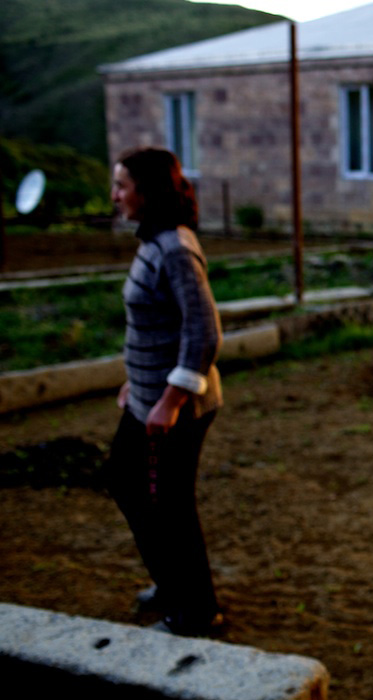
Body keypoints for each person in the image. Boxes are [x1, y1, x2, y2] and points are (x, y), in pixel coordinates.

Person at [104, 146, 224, 637]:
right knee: (126, 481)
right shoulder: (154, 242)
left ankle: (197, 613)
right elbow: (160, 322)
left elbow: (204, 331)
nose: (115, 196)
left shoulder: (175, 249)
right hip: (147, 398)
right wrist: (137, 379)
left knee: (169, 505)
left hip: (177, 408)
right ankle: (172, 584)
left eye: (122, 186)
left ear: (147, 192)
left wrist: (171, 400)